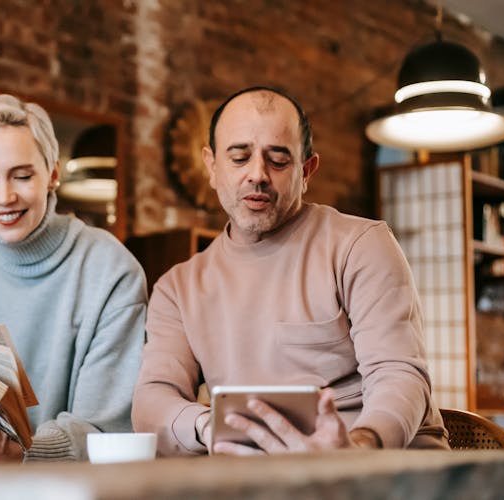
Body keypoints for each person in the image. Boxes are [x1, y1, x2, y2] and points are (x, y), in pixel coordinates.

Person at [132, 87, 449, 456]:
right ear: (212, 166)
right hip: (263, 480)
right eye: (239, 157)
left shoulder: (360, 245)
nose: (258, 175)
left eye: (278, 161)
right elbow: (151, 399)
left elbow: (399, 374)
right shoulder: (178, 288)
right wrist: (207, 426)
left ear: (307, 170)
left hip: (380, 471)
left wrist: (360, 445)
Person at [0, 94, 147, 463]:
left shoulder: (111, 270)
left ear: (53, 174)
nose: (4, 196)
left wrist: (17, 455)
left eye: (23, 176)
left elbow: (105, 426)